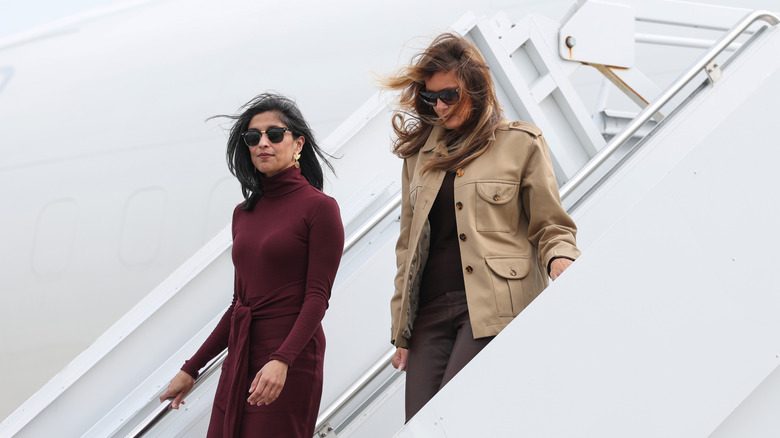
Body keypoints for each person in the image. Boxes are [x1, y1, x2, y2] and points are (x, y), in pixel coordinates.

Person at [382, 33, 582, 422]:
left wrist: (560, 257)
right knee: (420, 425)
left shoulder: (521, 143)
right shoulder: (417, 159)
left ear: (475, 86)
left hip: (493, 305)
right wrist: (402, 330)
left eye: (449, 95)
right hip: (430, 314)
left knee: (459, 414)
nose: (439, 106)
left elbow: (550, 223)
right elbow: (408, 247)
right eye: (430, 98)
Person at [159, 92, 344, 437]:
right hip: (242, 356)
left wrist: (282, 360)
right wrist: (192, 369)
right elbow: (239, 304)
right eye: (253, 136)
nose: (263, 143)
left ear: (297, 143)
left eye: (275, 134)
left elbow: (317, 298)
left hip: (289, 358)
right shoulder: (243, 214)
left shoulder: (320, 208)